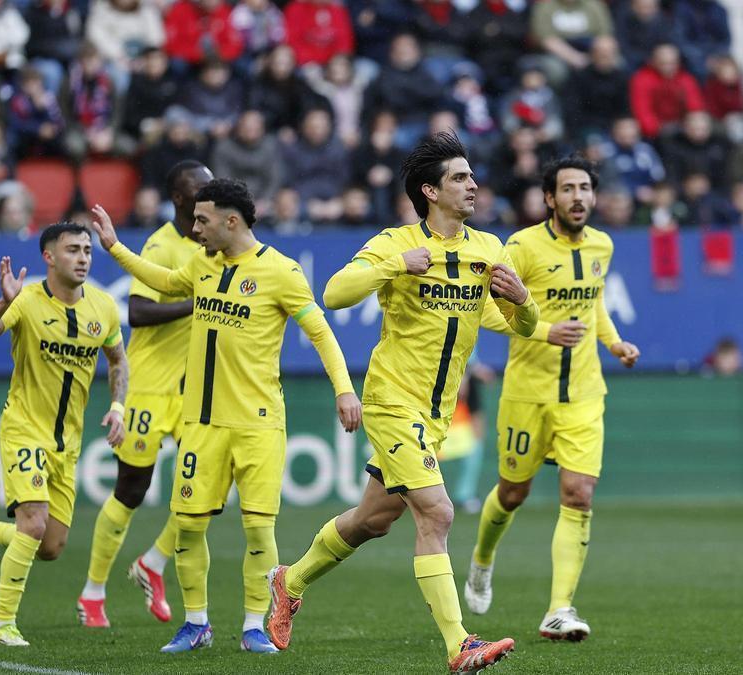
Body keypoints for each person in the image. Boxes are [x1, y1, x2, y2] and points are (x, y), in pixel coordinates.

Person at [263, 132, 538, 673]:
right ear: (430, 192)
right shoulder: (396, 243)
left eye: (471, 175)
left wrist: (524, 301)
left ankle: (287, 580)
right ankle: (460, 643)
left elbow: (519, 328)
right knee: (437, 512)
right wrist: (396, 266)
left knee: (373, 519)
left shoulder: (488, 250)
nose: (473, 184)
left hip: (435, 416)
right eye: (460, 177)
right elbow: (337, 293)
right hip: (392, 402)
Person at [88, 178, 361, 655]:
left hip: (258, 426)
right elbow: (163, 280)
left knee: (258, 530)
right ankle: (197, 624)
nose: (194, 229)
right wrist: (113, 247)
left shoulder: (281, 271)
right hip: (200, 423)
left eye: (202, 220)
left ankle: (255, 624)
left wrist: (344, 390)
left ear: (231, 221)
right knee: (189, 525)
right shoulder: (202, 263)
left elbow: (320, 331)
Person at [468, 155, 640, 641]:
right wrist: (543, 331)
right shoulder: (521, 247)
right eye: (568, 189)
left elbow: (595, 302)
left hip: (585, 393)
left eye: (585, 188)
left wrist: (613, 343)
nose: (578, 197)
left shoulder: (603, 245)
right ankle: (482, 560)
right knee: (512, 493)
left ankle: (559, 609)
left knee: (579, 494)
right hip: (528, 393)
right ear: (549, 198)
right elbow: (485, 310)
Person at [0, 222, 129, 647]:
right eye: (72, 250)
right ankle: (2, 625)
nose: (84, 257)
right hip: (24, 430)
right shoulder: (27, 300)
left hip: (67, 443)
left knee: (49, 546)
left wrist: (118, 407)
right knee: (31, 525)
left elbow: (119, 361)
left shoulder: (103, 307)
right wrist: (3, 302)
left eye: (87, 250)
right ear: (49, 257)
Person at [76, 161, 213, 630]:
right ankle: (93, 591)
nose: (209, 199)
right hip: (149, 388)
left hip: (192, 390)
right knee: (132, 490)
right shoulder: (161, 245)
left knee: (209, 488)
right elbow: (137, 311)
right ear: (179, 199)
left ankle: (153, 562)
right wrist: (199, 302)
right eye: (201, 192)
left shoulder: (212, 244)